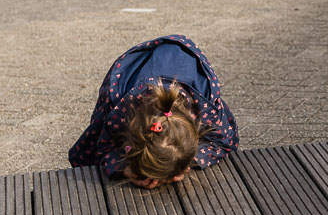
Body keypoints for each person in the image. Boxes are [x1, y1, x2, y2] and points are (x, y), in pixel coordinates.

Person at [69, 35, 239, 189]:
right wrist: (124, 168)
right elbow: (103, 147)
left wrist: (187, 161)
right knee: (98, 135)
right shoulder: (119, 111)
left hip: (188, 68)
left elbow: (225, 140)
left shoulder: (207, 110)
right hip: (131, 69)